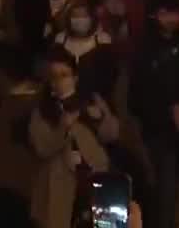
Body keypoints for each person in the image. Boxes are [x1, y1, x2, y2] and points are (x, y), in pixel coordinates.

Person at [129, 0, 179, 228]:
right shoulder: (144, 46)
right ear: (154, 14)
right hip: (157, 128)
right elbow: (138, 92)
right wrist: (165, 113)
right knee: (165, 183)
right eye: (165, 13)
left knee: (176, 184)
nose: (171, 18)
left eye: (175, 13)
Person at [29, 45, 116, 228]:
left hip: (94, 178)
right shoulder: (42, 110)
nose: (60, 81)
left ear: (75, 77)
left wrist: (100, 118)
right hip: (58, 186)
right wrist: (62, 128)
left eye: (64, 74)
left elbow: (112, 135)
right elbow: (42, 147)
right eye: (54, 76)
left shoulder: (91, 100)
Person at [53, 1, 119, 100]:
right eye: (75, 16)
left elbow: (109, 79)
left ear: (92, 18)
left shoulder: (103, 40)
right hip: (64, 100)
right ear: (69, 19)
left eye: (84, 16)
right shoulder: (60, 39)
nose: (80, 20)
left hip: (96, 102)